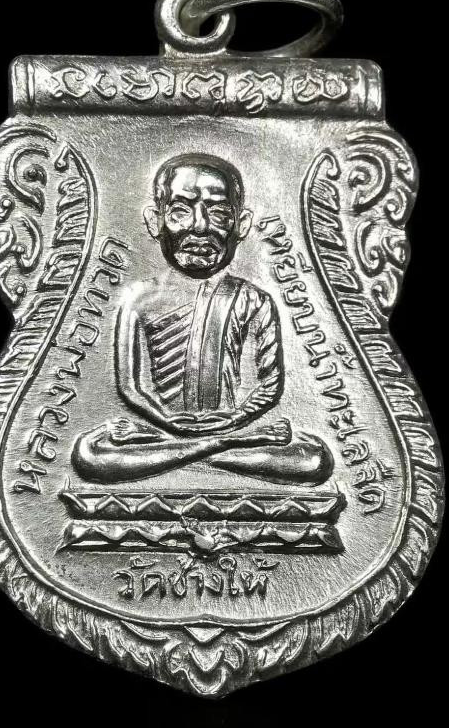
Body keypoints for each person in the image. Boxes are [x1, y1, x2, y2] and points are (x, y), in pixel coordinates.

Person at [72, 154, 333, 485]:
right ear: (155, 220)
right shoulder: (138, 300)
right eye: (180, 212)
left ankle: (194, 453)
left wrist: (233, 421)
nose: (200, 227)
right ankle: (221, 450)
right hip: (167, 430)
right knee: (90, 455)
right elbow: (129, 387)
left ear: (241, 224)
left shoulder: (254, 299)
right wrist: (168, 422)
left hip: (202, 435)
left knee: (313, 459)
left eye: (219, 213)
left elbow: (269, 385)